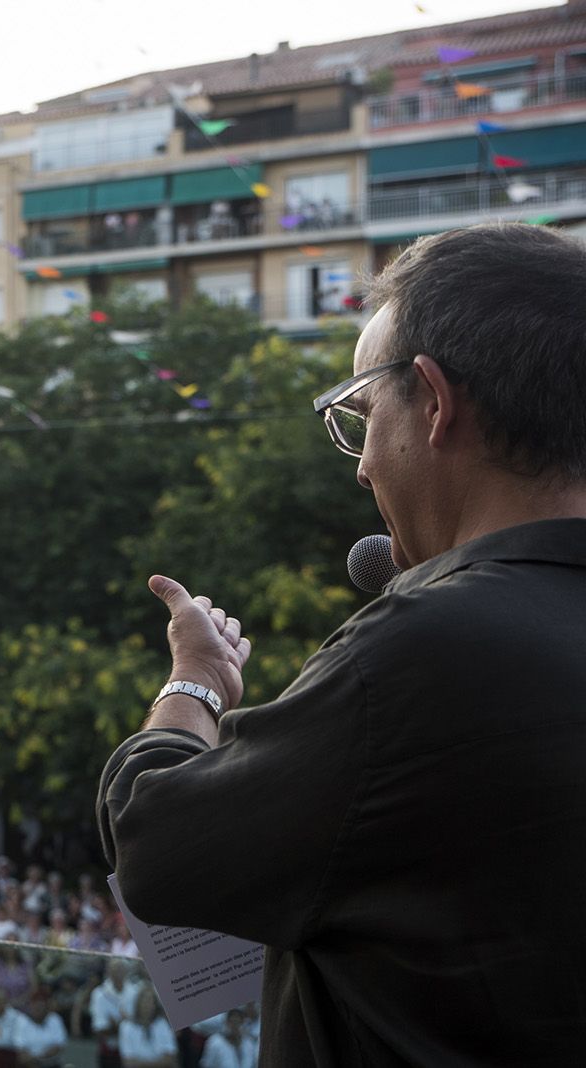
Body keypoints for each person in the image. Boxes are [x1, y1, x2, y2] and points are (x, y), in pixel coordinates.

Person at [97, 221, 586, 1063]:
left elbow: (158, 848)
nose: (360, 468)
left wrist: (196, 685)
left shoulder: (426, 651)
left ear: (434, 402)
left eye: (360, 413)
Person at [118, 987, 178, 1068]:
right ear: (138, 1003)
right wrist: (158, 1062)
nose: (147, 1005)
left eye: (150, 1001)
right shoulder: (127, 1027)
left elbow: (170, 1058)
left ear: (155, 1005)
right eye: (144, 1001)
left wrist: (141, 1063)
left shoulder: (162, 1024)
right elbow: (128, 1062)